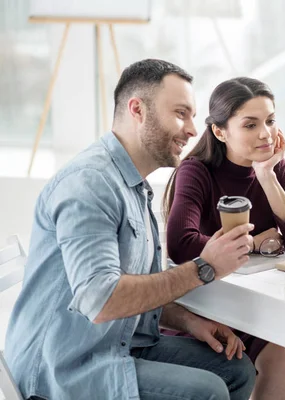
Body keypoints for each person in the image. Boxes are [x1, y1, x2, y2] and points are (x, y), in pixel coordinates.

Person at [5, 59, 257, 400]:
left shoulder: (133, 186)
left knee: (236, 369)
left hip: (116, 345)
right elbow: (102, 298)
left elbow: (134, 289)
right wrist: (204, 268)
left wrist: (188, 322)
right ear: (137, 109)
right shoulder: (90, 184)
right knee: (207, 391)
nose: (192, 129)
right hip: (64, 368)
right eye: (181, 113)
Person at [163, 76, 285, 400]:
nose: (266, 133)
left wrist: (266, 175)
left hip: (258, 310)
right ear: (220, 132)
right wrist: (253, 242)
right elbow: (180, 244)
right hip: (205, 312)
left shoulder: (277, 170)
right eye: (250, 125)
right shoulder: (197, 171)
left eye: (271, 121)